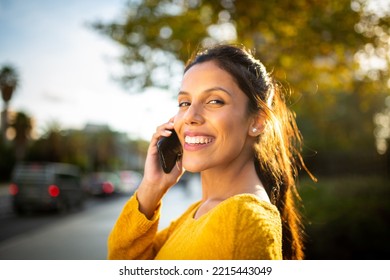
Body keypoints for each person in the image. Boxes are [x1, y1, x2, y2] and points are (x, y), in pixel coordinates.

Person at [107, 44, 314, 260]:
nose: (190, 116)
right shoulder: (197, 213)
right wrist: (151, 187)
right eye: (184, 102)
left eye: (215, 101)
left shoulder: (244, 218)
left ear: (257, 121)